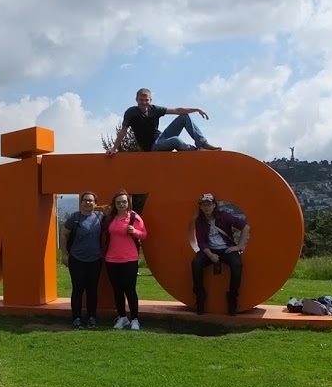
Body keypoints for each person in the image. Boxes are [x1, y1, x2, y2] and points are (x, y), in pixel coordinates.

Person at [106, 88, 220, 156]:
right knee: (176, 140)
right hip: (152, 148)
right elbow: (123, 131)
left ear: (150, 100)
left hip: (161, 139)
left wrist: (197, 109)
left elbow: (177, 110)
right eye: (141, 100)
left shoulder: (154, 109)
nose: (144, 103)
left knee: (184, 117)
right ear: (136, 100)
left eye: (146, 100)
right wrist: (114, 148)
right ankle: (196, 151)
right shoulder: (131, 112)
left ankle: (202, 144)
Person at [192, 193, 250, 315]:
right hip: (209, 250)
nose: (207, 207)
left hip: (226, 249)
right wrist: (211, 255)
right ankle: (200, 296)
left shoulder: (224, 216)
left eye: (209, 204)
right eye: (204, 205)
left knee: (237, 265)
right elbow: (201, 242)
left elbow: (245, 227)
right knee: (196, 263)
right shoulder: (199, 221)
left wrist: (239, 246)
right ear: (200, 207)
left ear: (214, 205)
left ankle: (232, 298)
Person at [102, 189, 148, 330]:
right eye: (118, 202)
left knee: (130, 290)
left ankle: (134, 319)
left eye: (124, 202)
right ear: (114, 204)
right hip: (111, 259)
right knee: (117, 290)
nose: (121, 204)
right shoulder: (110, 218)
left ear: (128, 202)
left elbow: (144, 234)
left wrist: (135, 232)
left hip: (129, 259)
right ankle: (122, 317)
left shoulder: (134, 217)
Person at [61, 191, 104, 329]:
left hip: (95, 259)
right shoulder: (75, 217)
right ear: (81, 202)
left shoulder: (100, 216)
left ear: (95, 203)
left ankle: (92, 318)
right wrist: (64, 254)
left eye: (91, 200)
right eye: (85, 200)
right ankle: (76, 318)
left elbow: (111, 208)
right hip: (77, 259)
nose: (88, 202)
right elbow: (64, 234)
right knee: (78, 289)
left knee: (92, 290)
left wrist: (101, 207)